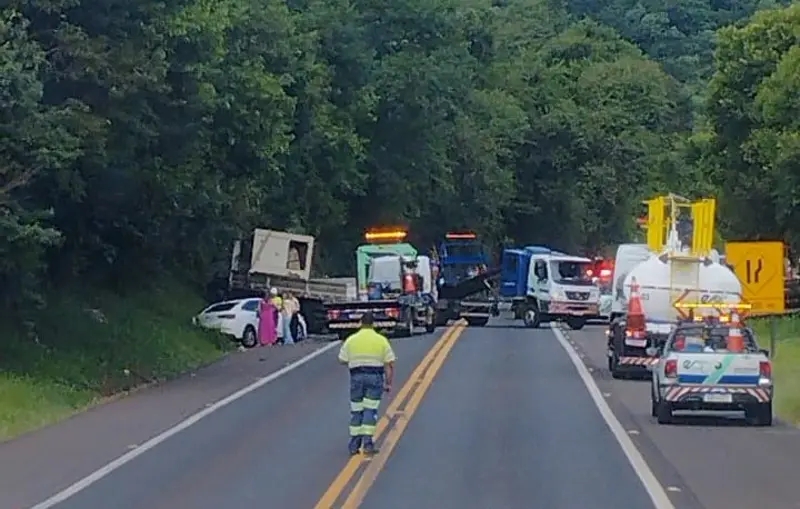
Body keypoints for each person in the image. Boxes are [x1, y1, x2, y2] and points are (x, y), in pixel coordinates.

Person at [338, 312, 395, 455]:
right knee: (370, 410)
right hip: (375, 376)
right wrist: (388, 383)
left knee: (357, 410)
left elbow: (342, 359)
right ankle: (368, 443)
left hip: (356, 376)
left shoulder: (352, 340)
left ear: (360, 323)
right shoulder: (381, 340)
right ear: (373, 324)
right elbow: (389, 364)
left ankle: (354, 444)